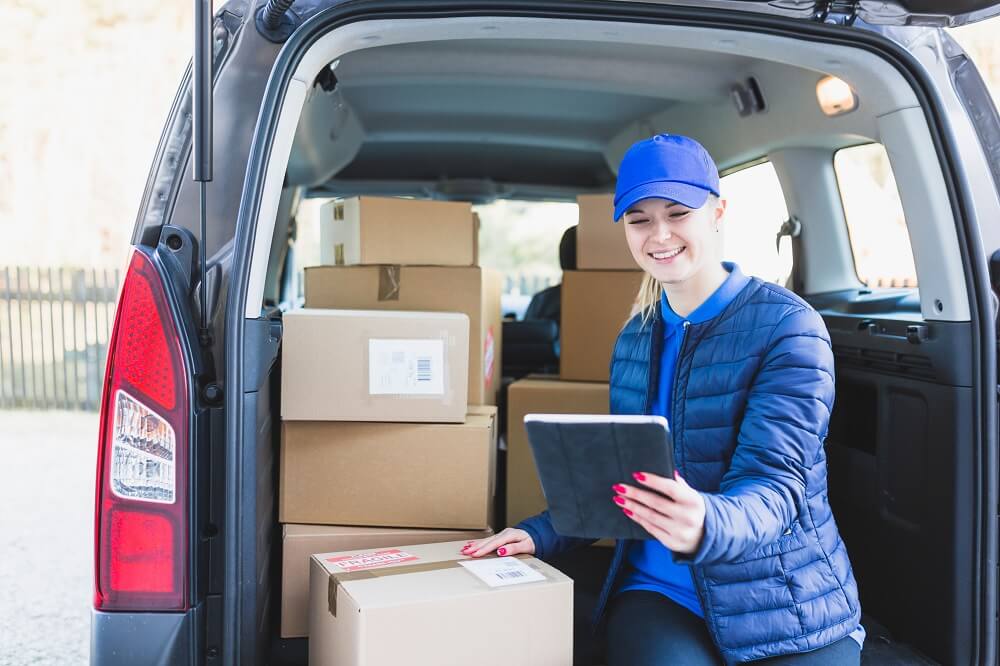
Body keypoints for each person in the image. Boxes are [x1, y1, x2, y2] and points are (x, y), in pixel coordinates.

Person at [461, 134, 864, 665]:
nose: (660, 234)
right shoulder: (634, 339)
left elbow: (777, 485)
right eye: (640, 220)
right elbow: (623, 484)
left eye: (677, 213)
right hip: (661, 591)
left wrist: (705, 520)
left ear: (718, 212)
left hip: (784, 599)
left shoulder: (788, 328)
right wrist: (537, 534)